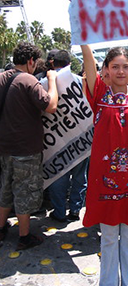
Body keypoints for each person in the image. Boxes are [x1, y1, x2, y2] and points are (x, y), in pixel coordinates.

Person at [81, 36, 128, 286]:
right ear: (106, 70)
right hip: (106, 181)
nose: (121, 71)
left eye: (125, 66)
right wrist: (80, 28)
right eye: (115, 66)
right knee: (109, 237)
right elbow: (87, 55)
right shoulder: (99, 95)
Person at [0, 41, 58, 250]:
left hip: (4, 147)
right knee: (24, 191)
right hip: (25, 149)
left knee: (5, 188)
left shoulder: (2, 78)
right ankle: (24, 235)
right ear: (31, 61)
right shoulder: (28, 80)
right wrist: (51, 80)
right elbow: (51, 106)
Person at [46, 49, 90, 222]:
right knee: (80, 176)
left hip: (55, 140)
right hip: (81, 137)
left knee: (58, 177)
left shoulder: (44, 83)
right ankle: (75, 210)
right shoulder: (80, 81)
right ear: (69, 64)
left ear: (51, 63)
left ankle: (58, 212)